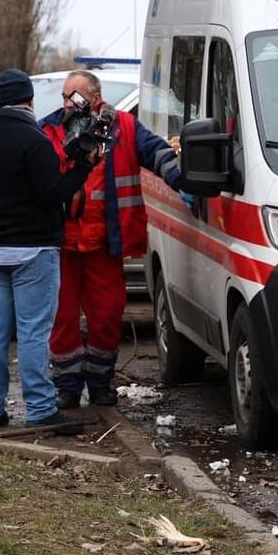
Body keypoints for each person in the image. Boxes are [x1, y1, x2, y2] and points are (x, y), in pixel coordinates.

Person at [0, 69, 95, 432]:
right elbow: (54, 193)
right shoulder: (36, 143)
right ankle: (39, 409)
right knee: (34, 331)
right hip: (34, 250)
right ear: (30, 100)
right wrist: (84, 167)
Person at [40, 69, 182, 408]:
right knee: (62, 319)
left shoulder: (124, 128)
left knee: (107, 316)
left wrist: (184, 180)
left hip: (104, 245)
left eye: (73, 97)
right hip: (62, 245)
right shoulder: (49, 130)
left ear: (94, 97)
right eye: (63, 97)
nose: (66, 104)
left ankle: (101, 382)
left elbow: (157, 154)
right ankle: (68, 386)